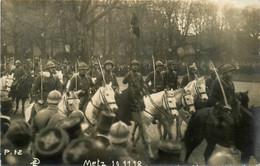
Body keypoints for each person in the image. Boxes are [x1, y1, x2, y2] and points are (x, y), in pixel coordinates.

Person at [122, 60, 154, 159]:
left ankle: (141, 117)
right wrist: (127, 76)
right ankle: (125, 117)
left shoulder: (139, 75)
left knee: (142, 105)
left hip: (138, 95)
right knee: (123, 103)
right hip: (129, 93)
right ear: (131, 66)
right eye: (133, 65)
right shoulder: (129, 74)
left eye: (136, 65)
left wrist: (145, 88)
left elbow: (143, 84)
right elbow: (123, 81)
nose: (135, 67)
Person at [208, 63, 239, 153]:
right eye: (230, 72)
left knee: (241, 118)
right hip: (219, 109)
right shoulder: (217, 82)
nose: (232, 74)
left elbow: (232, 97)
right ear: (225, 73)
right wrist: (221, 105)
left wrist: (237, 102)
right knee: (230, 121)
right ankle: (230, 144)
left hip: (230, 107)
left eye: (233, 72)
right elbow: (211, 98)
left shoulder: (230, 82)